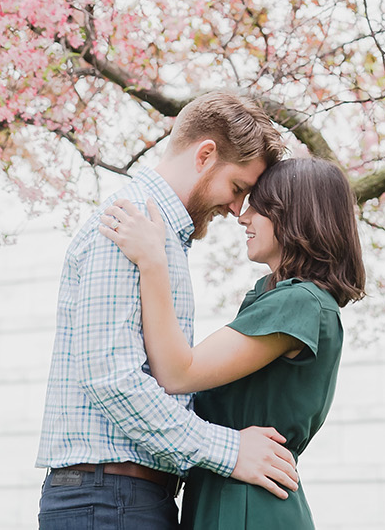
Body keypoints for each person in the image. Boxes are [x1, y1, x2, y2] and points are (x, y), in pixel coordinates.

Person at [36, 91, 299, 529]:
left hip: (123, 497)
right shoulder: (128, 223)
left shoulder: (157, 239)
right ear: (205, 155)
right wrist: (228, 450)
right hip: (108, 499)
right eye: (237, 188)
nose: (237, 210)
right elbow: (112, 378)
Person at [99, 155, 366, 529]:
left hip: (245, 505)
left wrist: (152, 261)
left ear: (295, 215)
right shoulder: (288, 300)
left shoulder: (300, 302)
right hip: (233, 496)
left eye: (260, 206)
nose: (243, 216)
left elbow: (177, 373)